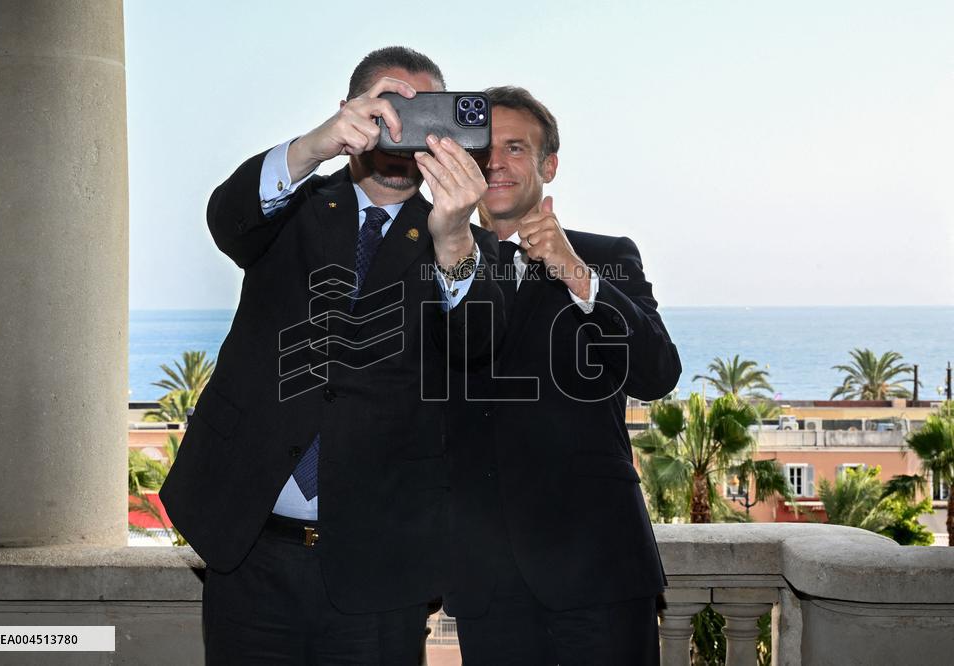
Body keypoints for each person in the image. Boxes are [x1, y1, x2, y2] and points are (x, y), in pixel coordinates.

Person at [160, 46, 501, 664]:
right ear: (352, 112)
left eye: (425, 114)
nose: (404, 130)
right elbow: (226, 219)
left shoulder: (468, 247)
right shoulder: (293, 205)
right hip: (247, 549)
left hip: (381, 568)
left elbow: (479, 353)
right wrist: (311, 147)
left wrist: (454, 239)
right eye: (390, 109)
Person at [444, 86, 682, 665]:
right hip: (486, 584)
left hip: (599, 568)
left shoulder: (608, 256)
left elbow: (657, 373)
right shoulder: (436, 262)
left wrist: (580, 277)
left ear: (548, 165)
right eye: (482, 149)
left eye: (516, 148)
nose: (495, 162)